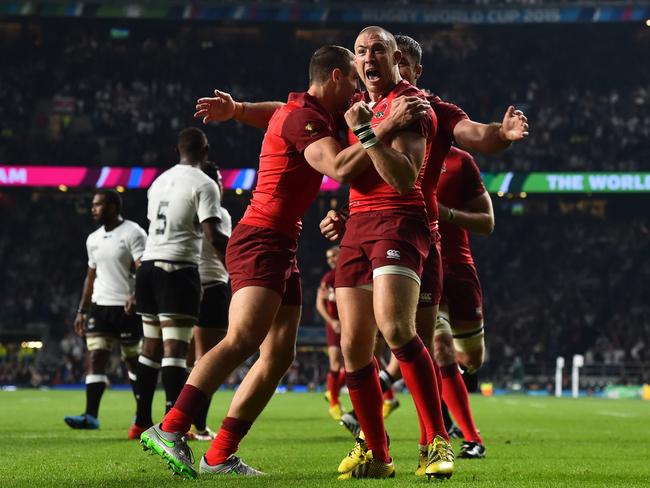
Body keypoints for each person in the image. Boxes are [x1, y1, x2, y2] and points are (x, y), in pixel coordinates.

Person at [139, 45, 426, 479]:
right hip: (260, 238)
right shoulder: (303, 119)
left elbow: (272, 111)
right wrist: (385, 127)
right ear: (334, 76)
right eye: (351, 80)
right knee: (242, 338)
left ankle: (219, 456)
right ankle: (171, 426)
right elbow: (339, 169)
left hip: (282, 244)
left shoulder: (306, 111)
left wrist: (237, 110)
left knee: (277, 355)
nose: (357, 92)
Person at [323, 34, 527, 472]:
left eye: (378, 51)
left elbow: (426, 165)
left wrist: (502, 135)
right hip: (364, 226)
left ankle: (438, 440)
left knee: (411, 336)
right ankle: (377, 451)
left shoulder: (417, 107)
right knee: (357, 346)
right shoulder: (363, 105)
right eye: (361, 52)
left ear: (402, 63)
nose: (368, 59)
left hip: (409, 227)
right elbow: (346, 164)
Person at [130, 128, 227, 440]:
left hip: (148, 267)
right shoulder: (204, 183)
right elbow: (212, 236)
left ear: (177, 150)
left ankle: (141, 421)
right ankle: (176, 426)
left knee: (150, 347)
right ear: (206, 150)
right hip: (177, 269)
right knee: (175, 349)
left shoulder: (159, 181)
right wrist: (239, 261)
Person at [64, 190, 146, 435]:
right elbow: (91, 276)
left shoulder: (134, 232)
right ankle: (91, 416)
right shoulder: (93, 239)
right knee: (96, 357)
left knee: (132, 360)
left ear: (113, 206)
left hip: (126, 307)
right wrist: (82, 310)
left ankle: (142, 414)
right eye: (93, 205)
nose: (93, 209)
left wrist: (136, 296)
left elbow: (143, 268)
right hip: (100, 306)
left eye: (98, 205)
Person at [436, 146, 493, 458]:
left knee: (471, 359)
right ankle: (472, 438)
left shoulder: (460, 161)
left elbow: (487, 222)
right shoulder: (396, 152)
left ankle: (463, 382)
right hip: (421, 267)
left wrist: (447, 214)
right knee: (441, 348)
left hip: (459, 267)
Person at [187, 161, 233, 441]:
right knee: (209, 360)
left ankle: (176, 419)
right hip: (212, 286)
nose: (220, 185)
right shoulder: (218, 213)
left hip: (185, 286)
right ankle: (197, 426)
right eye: (216, 179)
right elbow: (219, 247)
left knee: (184, 359)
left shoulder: (185, 209)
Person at [315, 245, 346, 420]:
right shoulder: (328, 278)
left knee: (351, 365)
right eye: (328, 257)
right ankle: (334, 402)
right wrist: (332, 321)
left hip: (351, 322)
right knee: (335, 363)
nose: (331, 260)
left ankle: (331, 392)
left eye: (334, 255)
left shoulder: (350, 271)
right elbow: (319, 304)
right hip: (335, 325)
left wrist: (334, 297)